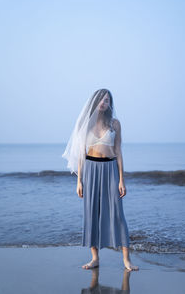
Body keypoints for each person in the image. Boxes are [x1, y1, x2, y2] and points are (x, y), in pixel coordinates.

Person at [62, 89, 139, 271]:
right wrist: (79, 180)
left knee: (118, 214)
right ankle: (95, 258)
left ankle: (126, 260)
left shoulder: (115, 124)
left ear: (110, 103)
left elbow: (119, 151)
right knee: (91, 214)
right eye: (101, 99)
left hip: (110, 168)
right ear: (95, 102)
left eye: (107, 100)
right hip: (90, 169)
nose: (104, 103)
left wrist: (122, 179)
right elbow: (81, 154)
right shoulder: (85, 124)